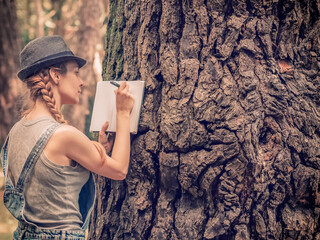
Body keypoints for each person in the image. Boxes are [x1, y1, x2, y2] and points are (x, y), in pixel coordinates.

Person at [0, 35, 134, 239]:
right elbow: (119, 170)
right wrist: (123, 114)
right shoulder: (63, 135)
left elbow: (52, 181)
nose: (81, 82)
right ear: (56, 75)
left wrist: (99, 150)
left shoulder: (17, 130)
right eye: (76, 73)